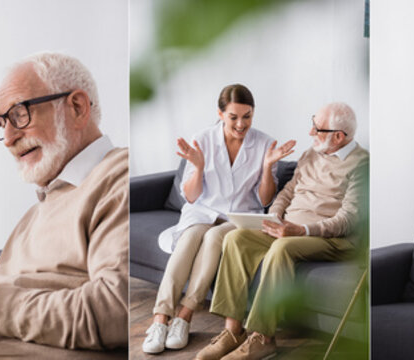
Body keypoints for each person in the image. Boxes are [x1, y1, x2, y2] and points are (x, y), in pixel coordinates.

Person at [0, 52, 129, 359]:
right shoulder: (32, 216)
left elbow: (116, 311)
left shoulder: (118, 176)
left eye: (19, 114)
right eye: (1, 122)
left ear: (77, 107)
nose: (8, 137)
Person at [196, 102, 369, 360]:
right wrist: (275, 216)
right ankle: (233, 332)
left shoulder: (361, 164)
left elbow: (347, 220)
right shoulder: (311, 153)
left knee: (282, 247)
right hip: (288, 228)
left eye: (317, 128)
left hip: (330, 238)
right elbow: (287, 192)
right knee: (235, 238)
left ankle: (264, 338)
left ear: (339, 136)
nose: (310, 133)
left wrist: (301, 230)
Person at [143, 84, 296, 354]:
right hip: (203, 210)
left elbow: (264, 200)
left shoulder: (263, 143)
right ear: (220, 113)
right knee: (190, 239)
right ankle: (160, 319)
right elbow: (191, 197)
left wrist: (268, 166)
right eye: (233, 117)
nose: (241, 124)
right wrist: (199, 167)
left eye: (247, 116)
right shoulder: (202, 139)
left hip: (239, 217)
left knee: (214, 238)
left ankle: (185, 315)